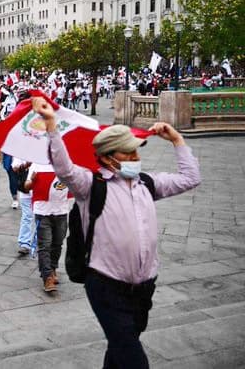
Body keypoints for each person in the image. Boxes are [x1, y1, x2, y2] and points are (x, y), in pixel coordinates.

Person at [31, 97, 201, 369]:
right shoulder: (90, 185)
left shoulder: (146, 183)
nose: (136, 158)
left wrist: (178, 141)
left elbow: (190, 178)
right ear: (108, 158)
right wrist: (52, 126)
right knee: (133, 358)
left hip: (144, 286)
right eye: (128, 153)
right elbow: (64, 168)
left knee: (122, 345)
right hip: (106, 285)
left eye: (136, 153)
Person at [22, 161, 72, 292]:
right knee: (45, 245)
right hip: (43, 211)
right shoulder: (38, 164)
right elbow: (26, 186)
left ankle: (53, 268)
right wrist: (32, 181)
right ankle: (47, 277)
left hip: (61, 211)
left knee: (58, 243)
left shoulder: (66, 164)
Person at [11, 158, 34, 256]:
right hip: (26, 190)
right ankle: (25, 243)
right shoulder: (22, 150)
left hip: (42, 190)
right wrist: (25, 165)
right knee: (27, 216)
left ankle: (40, 243)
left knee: (42, 218)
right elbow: (15, 168)